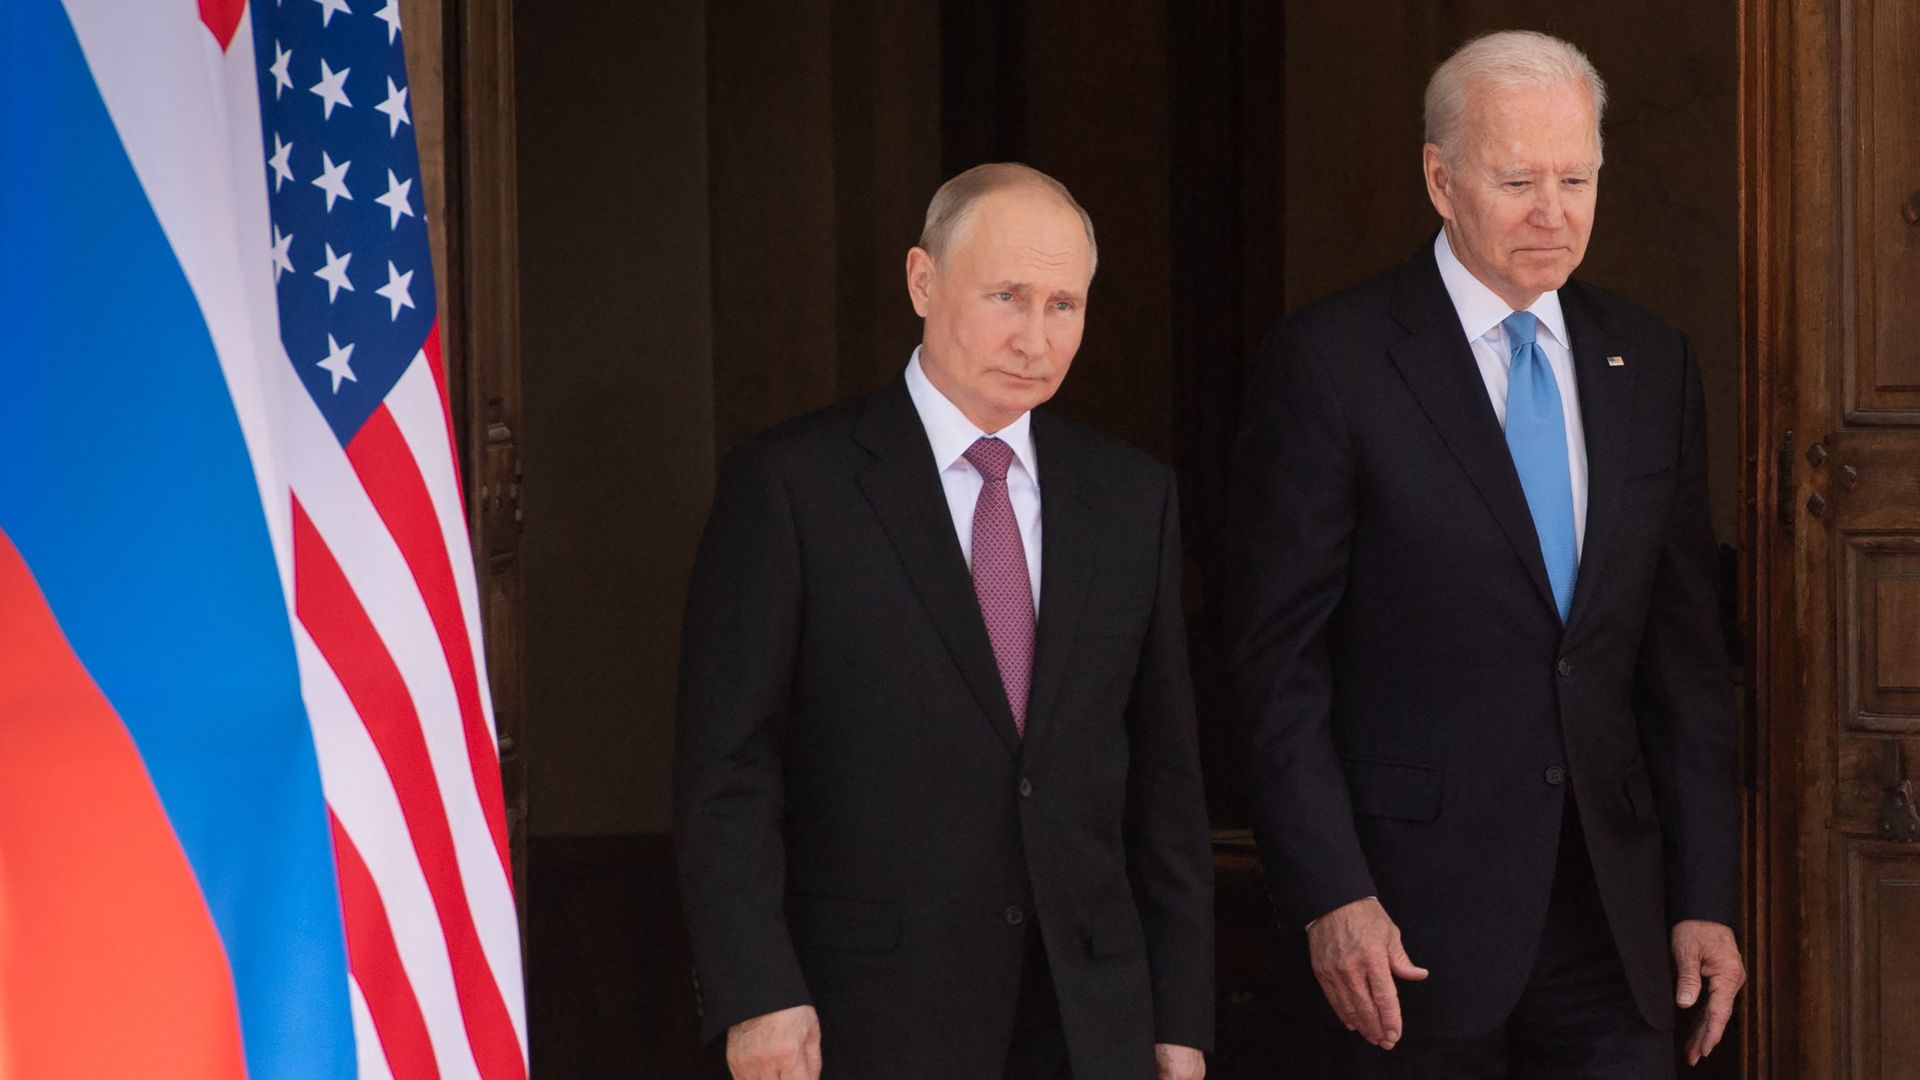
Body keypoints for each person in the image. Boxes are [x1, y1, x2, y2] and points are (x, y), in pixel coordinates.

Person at [1227, 30, 1747, 1078]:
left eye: (1576, 178)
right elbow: (1276, 662)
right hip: (1404, 932)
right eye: (1518, 180)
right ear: (1441, 178)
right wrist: (1333, 891)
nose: (1552, 212)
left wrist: (1704, 898)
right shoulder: (1332, 364)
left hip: (1616, 927)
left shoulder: (1650, 363)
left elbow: (1684, 660)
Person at [675, 163, 1213, 1080]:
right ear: (923, 280)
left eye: (1064, 305)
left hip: (1088, 1017)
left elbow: (1165, 778)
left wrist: (1180, 1018)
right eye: (1007, 296)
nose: (1036, 339)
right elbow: (728, 766)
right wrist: (757, 990)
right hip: (869, 1012)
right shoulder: (793, 487)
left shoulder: (1133, 498)